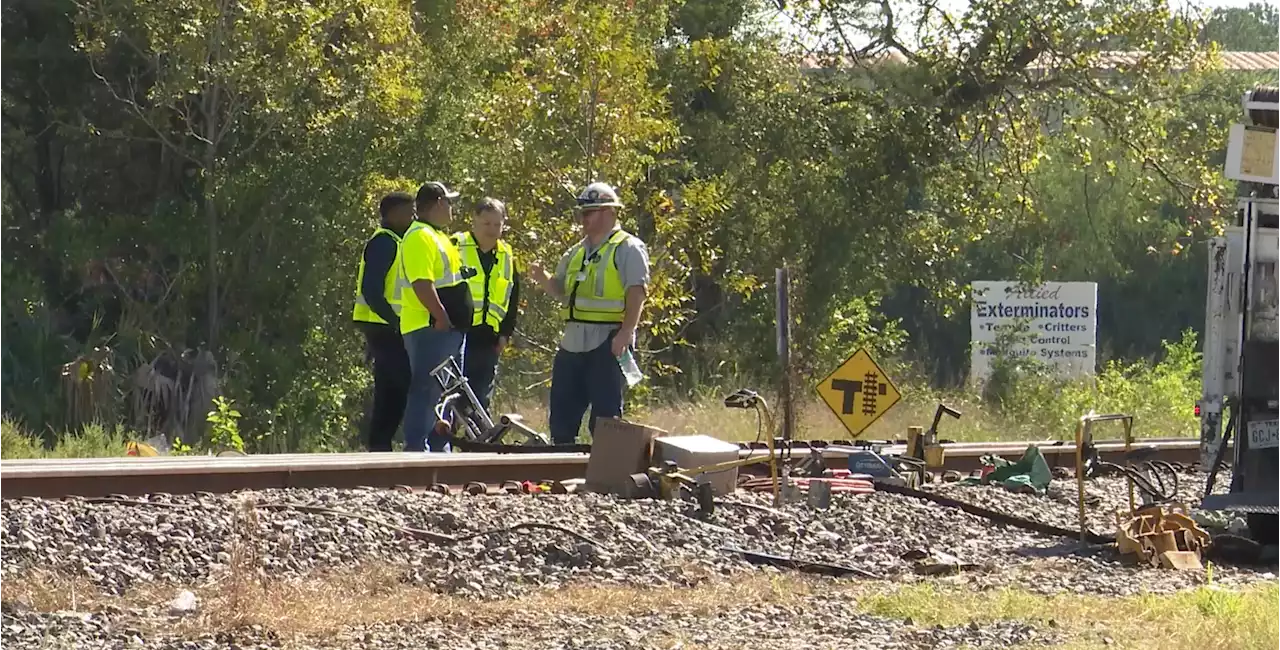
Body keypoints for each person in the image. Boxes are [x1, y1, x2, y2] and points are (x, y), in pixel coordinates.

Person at [527, 182, 649, 445]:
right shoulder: (576, 251)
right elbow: (561, 290)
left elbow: (636, 292)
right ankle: (561, 467)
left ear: (609, 212)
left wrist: (626, 332)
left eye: (589, 212)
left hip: (608, 339)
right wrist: (542, 278)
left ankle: (605, 472)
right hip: (572, 340)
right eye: (582, 212)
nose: (583, 219)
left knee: (605, 417)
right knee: (562, 412)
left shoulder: (627, 247)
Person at [399, 181, 474, 452]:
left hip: (448, 330)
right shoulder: (420, 236)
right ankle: (417, 449)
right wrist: (440, 316)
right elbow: (421, 282)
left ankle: (440, 447)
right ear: (439, 203)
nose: (452, 207)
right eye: (450, 202)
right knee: (426, 389)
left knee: (446, 394)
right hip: (429, 328)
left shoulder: (438, 235)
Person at [351, 191, 420, 452]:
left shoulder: (400, 242)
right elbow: (371, 290)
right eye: (407, 211)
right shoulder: (385, 242)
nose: (412, 216)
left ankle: (381, 446)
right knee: (396, 385)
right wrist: (395, 320)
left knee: (393, 388)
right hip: (382, 326)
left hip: (391, 326)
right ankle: (379, 445)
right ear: (390, 214)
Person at [452, 197, 521, 415]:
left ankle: (478, 448)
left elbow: (512, 296)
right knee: (452, 398)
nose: (492, 230)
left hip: (488, 340)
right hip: (456, 335)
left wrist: (505, 334)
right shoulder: (455, 246)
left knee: (481, 402)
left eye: (497, 224)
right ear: (474, 221)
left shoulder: (506, 254)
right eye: (486, 224)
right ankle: (444, 446)